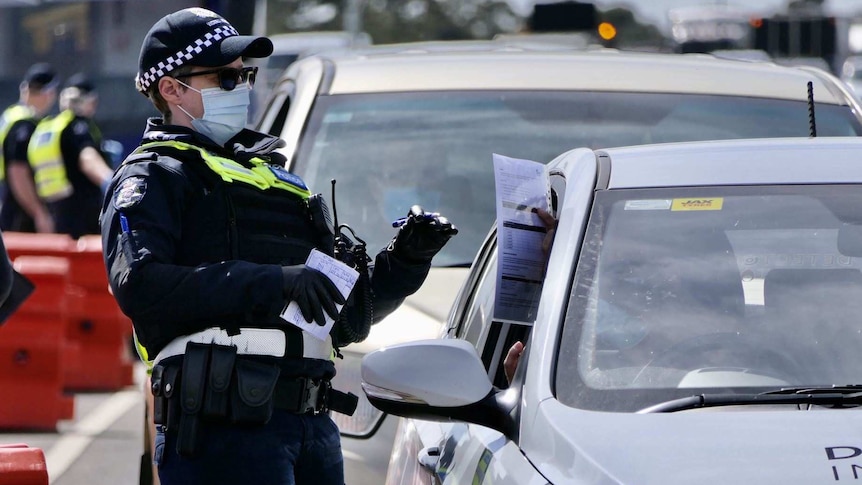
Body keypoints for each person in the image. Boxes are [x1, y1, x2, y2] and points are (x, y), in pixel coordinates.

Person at [100, 8, 457, 485]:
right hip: (222, 424)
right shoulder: (154, 175)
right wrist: (275, 282)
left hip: (313, 426)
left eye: (246, 76)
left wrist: (407, 260)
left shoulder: (281, 180)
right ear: (171, 88)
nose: (243, 88)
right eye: (226, 78)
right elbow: (140, 285)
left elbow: (347, 321)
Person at [28, 73, 115, 238]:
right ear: (88, 101)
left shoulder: (46, 128)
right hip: (83, 219)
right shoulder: (78, 125)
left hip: (56, 215)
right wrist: (112, 183)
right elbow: (87, 159)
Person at [0, 63, 58, 233]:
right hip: (20, 210)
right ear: (47, 92)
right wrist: (39, 213)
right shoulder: (24, 125)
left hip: (9, 200)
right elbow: (17, 172)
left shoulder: (11, 115)